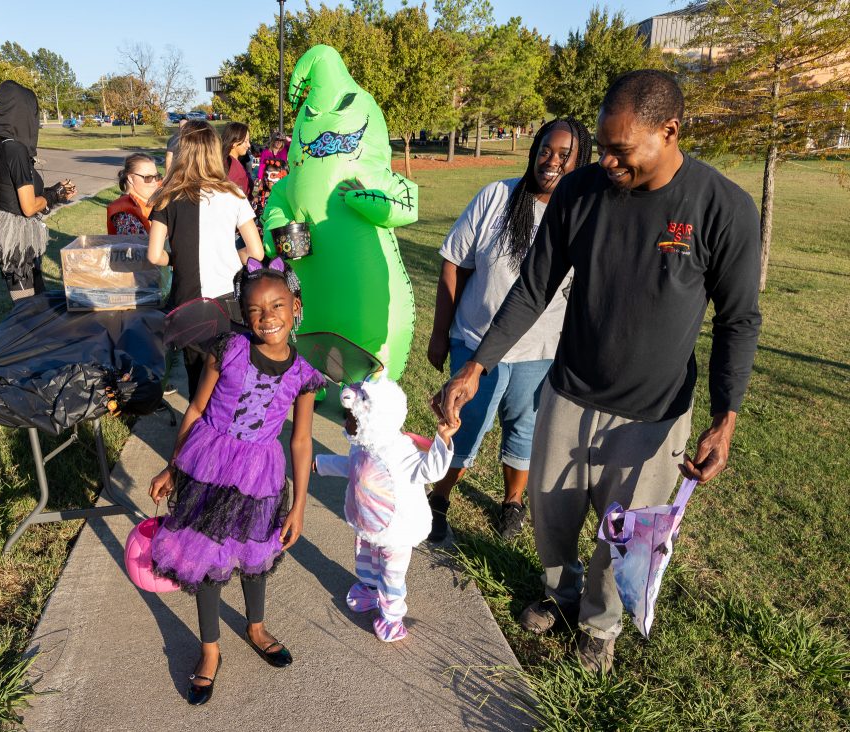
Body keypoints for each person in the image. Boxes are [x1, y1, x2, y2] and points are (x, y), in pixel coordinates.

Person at [432, 70, 762, 673]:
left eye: (621, 150)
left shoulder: (723, 208)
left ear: (669, 132)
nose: (606, 162)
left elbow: (738, 320)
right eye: (603, 148)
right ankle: (561, 595)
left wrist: (726, 417)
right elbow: (534, 288)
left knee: (623, 536)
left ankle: (600, 624)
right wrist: (477, 364)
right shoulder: (580, 193)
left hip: (653, 414)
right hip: (569, 391)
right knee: (552, 518)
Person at [148, 257, 325, 706]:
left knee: (254, 550)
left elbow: (301, 442)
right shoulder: (226, 350)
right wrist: (173, 465)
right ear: (243, 315)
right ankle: (210, 652)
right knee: (206, 556)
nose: (268, 317)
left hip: (260, 472)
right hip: (209, 462)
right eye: (256, 310)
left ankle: (256, 626)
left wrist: (300, 504)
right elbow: (193, 410)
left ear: (296, 306)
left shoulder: (304, 376)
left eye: (278, 306)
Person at [426, 118, 592, 544]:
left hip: (540, 349)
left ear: (580, 162)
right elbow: (454, 262)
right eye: (545, 150)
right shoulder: (497, 197)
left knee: (525, 427)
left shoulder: (580, 214)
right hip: (476, 341)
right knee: (464, 423)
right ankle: (439, 497)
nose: (551, 161)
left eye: (563, 155)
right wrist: (440, 332)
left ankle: (512, 502)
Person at [314, 377, 458, 642]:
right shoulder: (362, 445)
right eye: (347, 417)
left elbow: (431, 470)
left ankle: (392, 617)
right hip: (368, 522)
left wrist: (443, 440)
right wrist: (321, 464)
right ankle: (369, 589)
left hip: (397, 530)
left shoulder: (401, 450)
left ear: (374, 418)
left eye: (351, 418)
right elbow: (352, 467)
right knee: (365, 559)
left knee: (392, 576)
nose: (346, 423)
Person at [145, 120, 265, 398]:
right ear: (214, 152)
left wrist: (177, 258)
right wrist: (230, 254)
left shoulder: (167, 197)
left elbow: (154, 254)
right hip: (227, 302)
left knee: (198, 380)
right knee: (229, 377)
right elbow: (256, 253)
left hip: (188, 303)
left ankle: (197, 433)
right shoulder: (233, 193)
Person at [0, 80, 76, 301]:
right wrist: (54, 194)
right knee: (27, 309)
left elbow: (12, 195)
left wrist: (54, 193)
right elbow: (28, 207)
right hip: (16, 240)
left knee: (36, 302)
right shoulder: (16, 150)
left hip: (8, 235)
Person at [106, 153, 161, 235]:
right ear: (131, 179)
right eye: (148, 178)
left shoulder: (151, 202)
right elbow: (138, 246)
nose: (154, 182)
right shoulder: (125, 215)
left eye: (156, 177)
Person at [221, 121, 253, 201]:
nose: (249, 145)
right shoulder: (230, 165)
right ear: (234, 143)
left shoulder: (230, 162)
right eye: (245, 141)